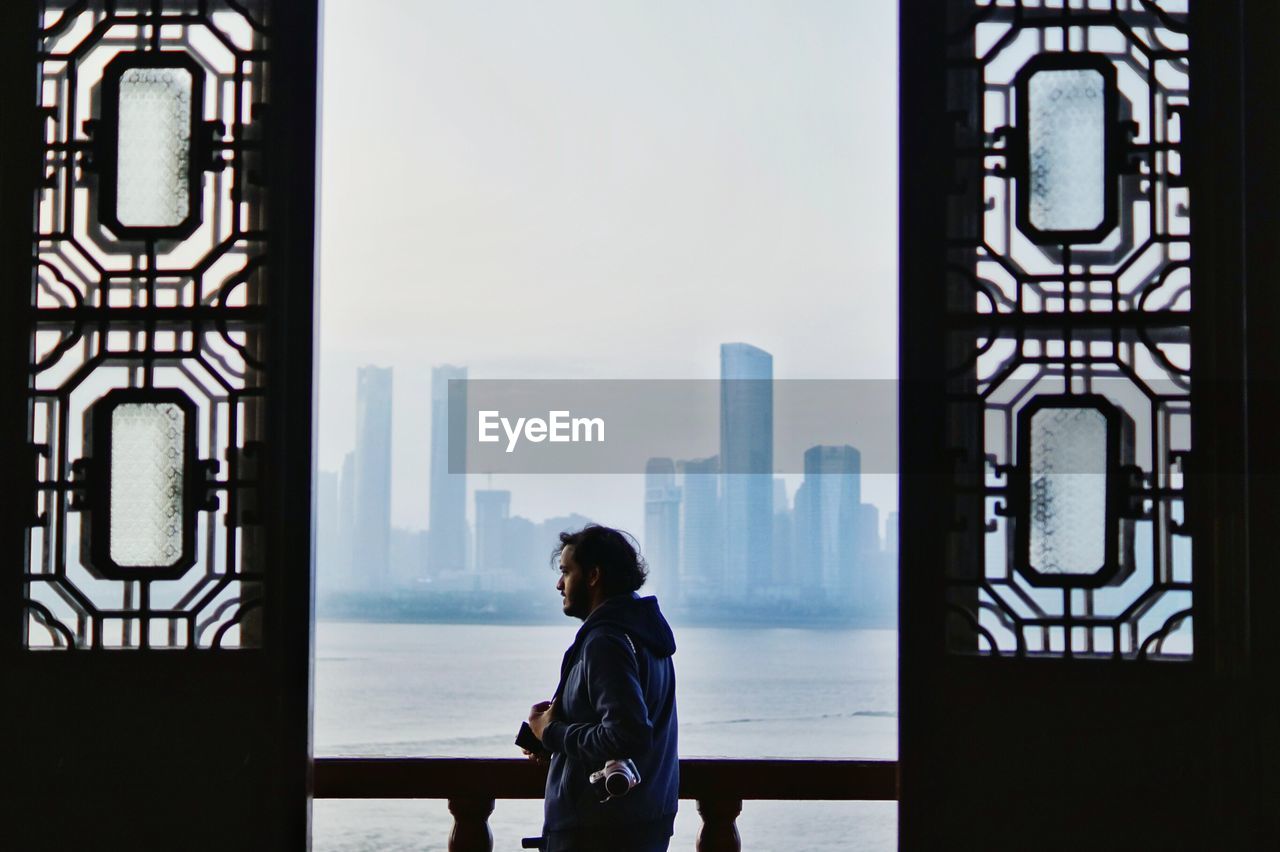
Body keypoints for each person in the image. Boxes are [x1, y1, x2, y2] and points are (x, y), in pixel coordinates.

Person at [525, 524, 679, 852]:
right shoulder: (647, 636)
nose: (559, 584)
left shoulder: (605, 641)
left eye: (566, 571)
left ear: (593, 576)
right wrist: (549, 737)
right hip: (645, 823)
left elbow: (628, 734)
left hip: (597, 831)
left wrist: (552, 733)